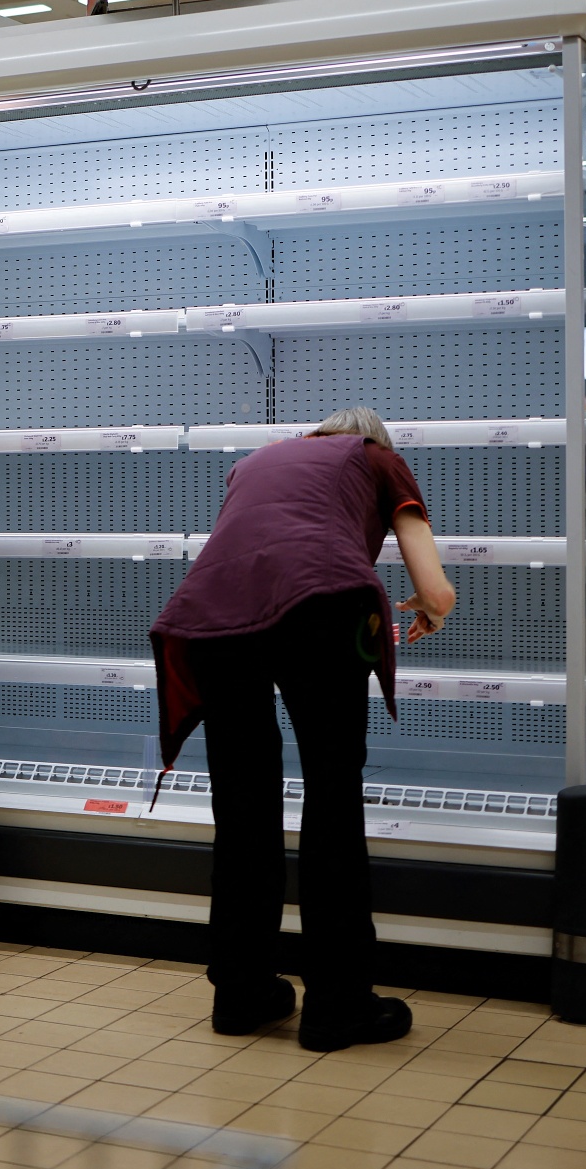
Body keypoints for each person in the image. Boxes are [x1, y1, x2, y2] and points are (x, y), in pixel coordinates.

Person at [149, 407, 456, 1052]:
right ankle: (337, 1006)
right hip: (321, 604)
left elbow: (253, 553)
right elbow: (436, 588)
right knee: (332, 796)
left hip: (212, 617)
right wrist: (430, 611)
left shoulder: (254, 462)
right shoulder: (377, 458)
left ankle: (241, 992)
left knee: (243, 804)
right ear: (375, 440)